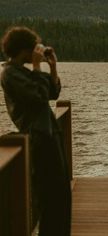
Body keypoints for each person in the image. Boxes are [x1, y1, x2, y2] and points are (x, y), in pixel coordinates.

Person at [0, 26, 71, 236]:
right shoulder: (10, 74)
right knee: (50, 198)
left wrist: (53, 68)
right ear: (23, 49)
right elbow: (39, 96)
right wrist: (38, 68)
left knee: (62, 195)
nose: (36, 53)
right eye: (33, 49)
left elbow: (52, 93)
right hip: (40, 140)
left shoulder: (22, 72)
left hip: (49, 135)